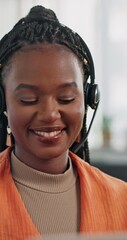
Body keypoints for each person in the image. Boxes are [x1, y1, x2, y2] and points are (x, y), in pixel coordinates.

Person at [0, 5, 127, 240]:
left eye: (66, 98)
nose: (49, 114)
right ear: (3, 102)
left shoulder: (122, 200)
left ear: (88, 98)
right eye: (29, 99)